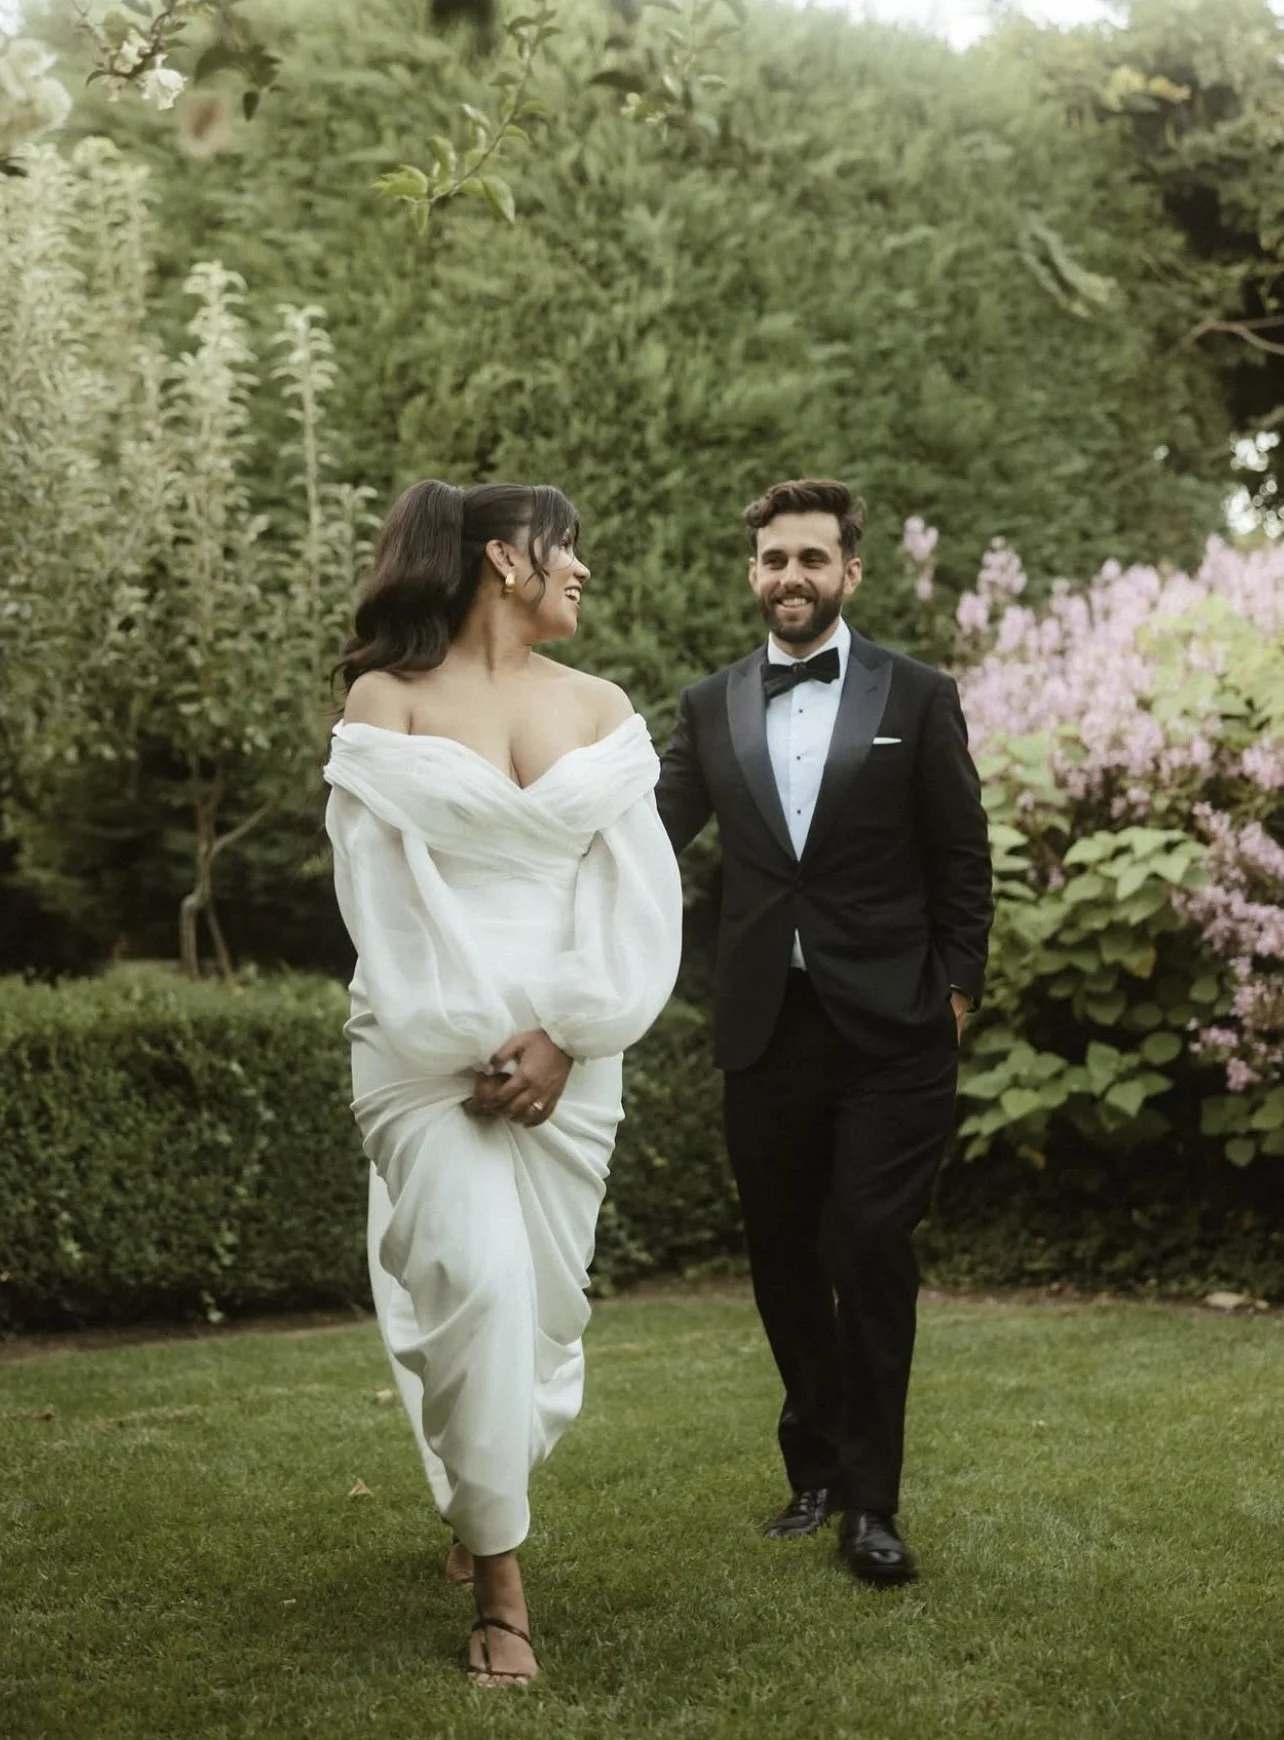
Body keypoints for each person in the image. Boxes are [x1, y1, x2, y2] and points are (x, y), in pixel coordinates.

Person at [324, 480, 682, 1685]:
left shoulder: (600, 704)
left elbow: (635, 893)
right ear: (502, 559)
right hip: (430, 1055)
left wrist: (569, 1033)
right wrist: (481, 1038)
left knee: (539, 1317)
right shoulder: (390, 701)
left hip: (572, 1058)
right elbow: (378, 897)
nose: (581, 566)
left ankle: (479, 1494)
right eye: (564, 545)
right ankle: (503, 1595)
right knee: (474, 1283)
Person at [655, 478, 992, 1586]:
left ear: (851, 571)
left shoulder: (918, 692)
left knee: (868, 1246)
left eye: (810, 557)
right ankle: (815, 1466)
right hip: (767, 1027)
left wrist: (957, 991)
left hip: (895, 1027)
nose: (789, 576)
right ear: (752, 573)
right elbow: (643, 843)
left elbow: (959, 855)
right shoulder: (710, 707)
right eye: (772, 559)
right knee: (783, 1261)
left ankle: (873, 1505)